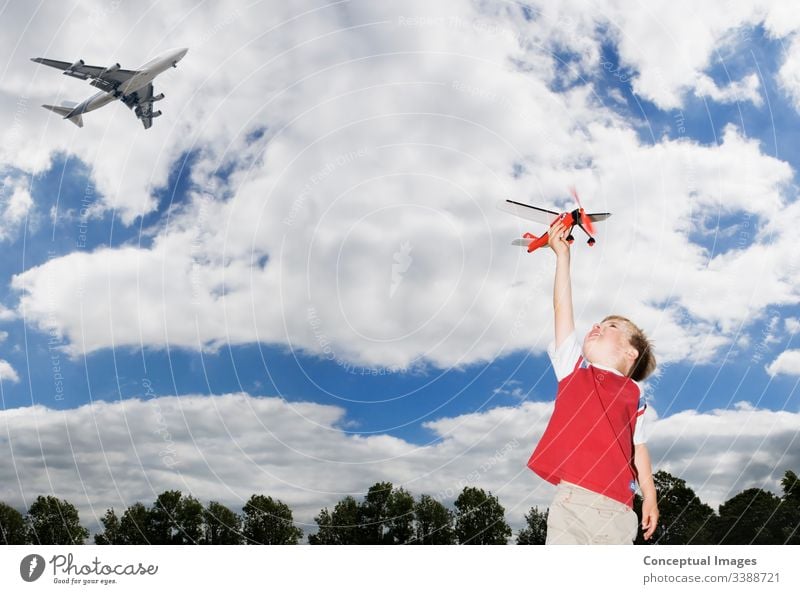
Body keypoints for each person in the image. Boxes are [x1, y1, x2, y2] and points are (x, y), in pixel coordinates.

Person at [527, 219, 659, 544]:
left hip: (618, 510)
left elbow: (638, 448)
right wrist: (562, 257)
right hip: (572, 500)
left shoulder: (634, 395)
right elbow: (562, 308)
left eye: (611, 325)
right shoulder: (573, 368)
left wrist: (650, 495)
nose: (598, 326)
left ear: (631, 352)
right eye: (599, 322)